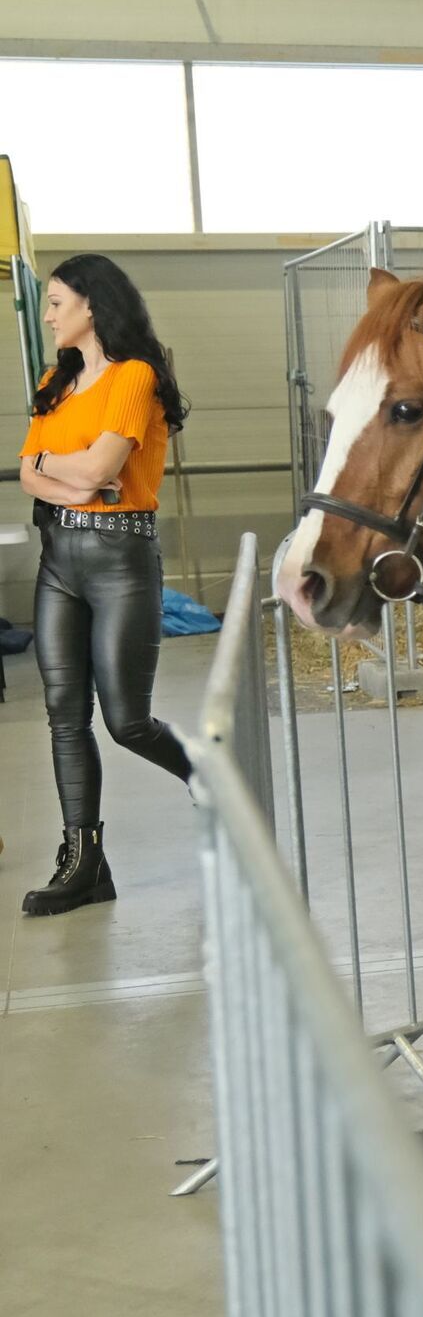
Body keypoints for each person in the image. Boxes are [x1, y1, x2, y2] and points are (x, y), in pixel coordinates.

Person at [17, 254, 192, 917]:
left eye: (57, 301)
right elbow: (33, 476)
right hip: (57, 558)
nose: (49, 314)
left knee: (126, 722)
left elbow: (97, 471)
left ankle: (212, 778)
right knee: (65, 717)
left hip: (121, 558)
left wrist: (59, 468)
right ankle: (84, 862)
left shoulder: (136, 376)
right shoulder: (52, 383)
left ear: (92, 305)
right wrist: (71, 473)